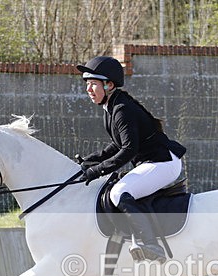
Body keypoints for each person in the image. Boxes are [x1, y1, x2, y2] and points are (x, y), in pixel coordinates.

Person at [75, 56, 186, 263]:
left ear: (109, 85)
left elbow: (128, 149)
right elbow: (117, 145)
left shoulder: (121, 109)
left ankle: (151, 244)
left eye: (93, 84)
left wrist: (97, 170)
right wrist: (89, 161)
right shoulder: (112, 107)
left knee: (119, 192)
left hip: (163, 162)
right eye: (87, 84)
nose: (88, 89)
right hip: (152, 161)